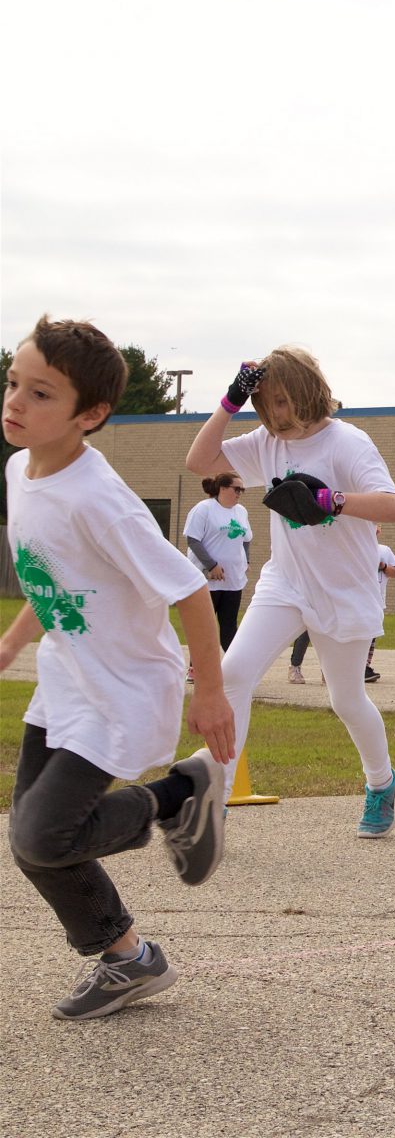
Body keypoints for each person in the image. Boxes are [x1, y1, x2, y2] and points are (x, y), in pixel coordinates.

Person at [2, 316, 235, 1019]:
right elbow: (52, 578)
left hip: (123, 688)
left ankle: (176, 798)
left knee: (42, 836)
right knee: (33, 842)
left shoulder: (101, 501)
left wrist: (213, 694)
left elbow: (191, 590)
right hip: (67, 678)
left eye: (41, 393)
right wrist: (12, 642)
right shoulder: (21, 468)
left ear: (91, 414)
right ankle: (127, 959)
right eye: (13, 382)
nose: (15, 402)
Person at [184, 346, 395, 838]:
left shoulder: (347, 442)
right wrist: (230, 402)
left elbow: (394, 508)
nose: (276, 415)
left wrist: (332, 500)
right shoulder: (267, 441)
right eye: (266, 405)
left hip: (343, 590)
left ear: (308, 391)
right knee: (234, 676)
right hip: (284, 583)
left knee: (346, 701)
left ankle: (381, 781)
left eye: (282, 401)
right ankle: (215, 798)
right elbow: (199, 460)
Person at [182, 472, 252, 651]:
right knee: (204, 626)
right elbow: (193, 540)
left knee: (229, 625)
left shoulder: (241, 511)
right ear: (222, 488)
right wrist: (211, 565)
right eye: (237, 489)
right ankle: (196, 669)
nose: (239, 493)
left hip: (232, 580)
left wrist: (247, 562)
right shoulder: (204, 508)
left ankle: (232, 668)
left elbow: (245, 539)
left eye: (242, 490)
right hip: (208, 579)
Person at [368, 537, 395, 682]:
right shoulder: (356, 546)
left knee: (372, 634)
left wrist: (383, 566)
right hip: (359, 600)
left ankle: (365, 666)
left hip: (377, 601)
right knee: (361, 634)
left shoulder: (384, 550)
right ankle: (358, 667)